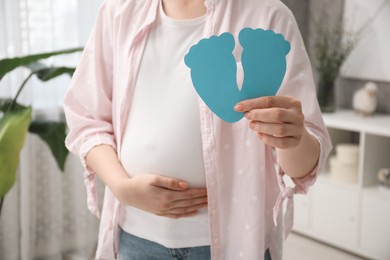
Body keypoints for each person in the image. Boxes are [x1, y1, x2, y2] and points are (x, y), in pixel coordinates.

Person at [63, 0, 332, 259]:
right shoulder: (117, 12)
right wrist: (122, 187)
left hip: (233, 242)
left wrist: (292, 139)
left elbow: (303, 166)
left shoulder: (269, 16)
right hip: (135, 237)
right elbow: (87, 119)